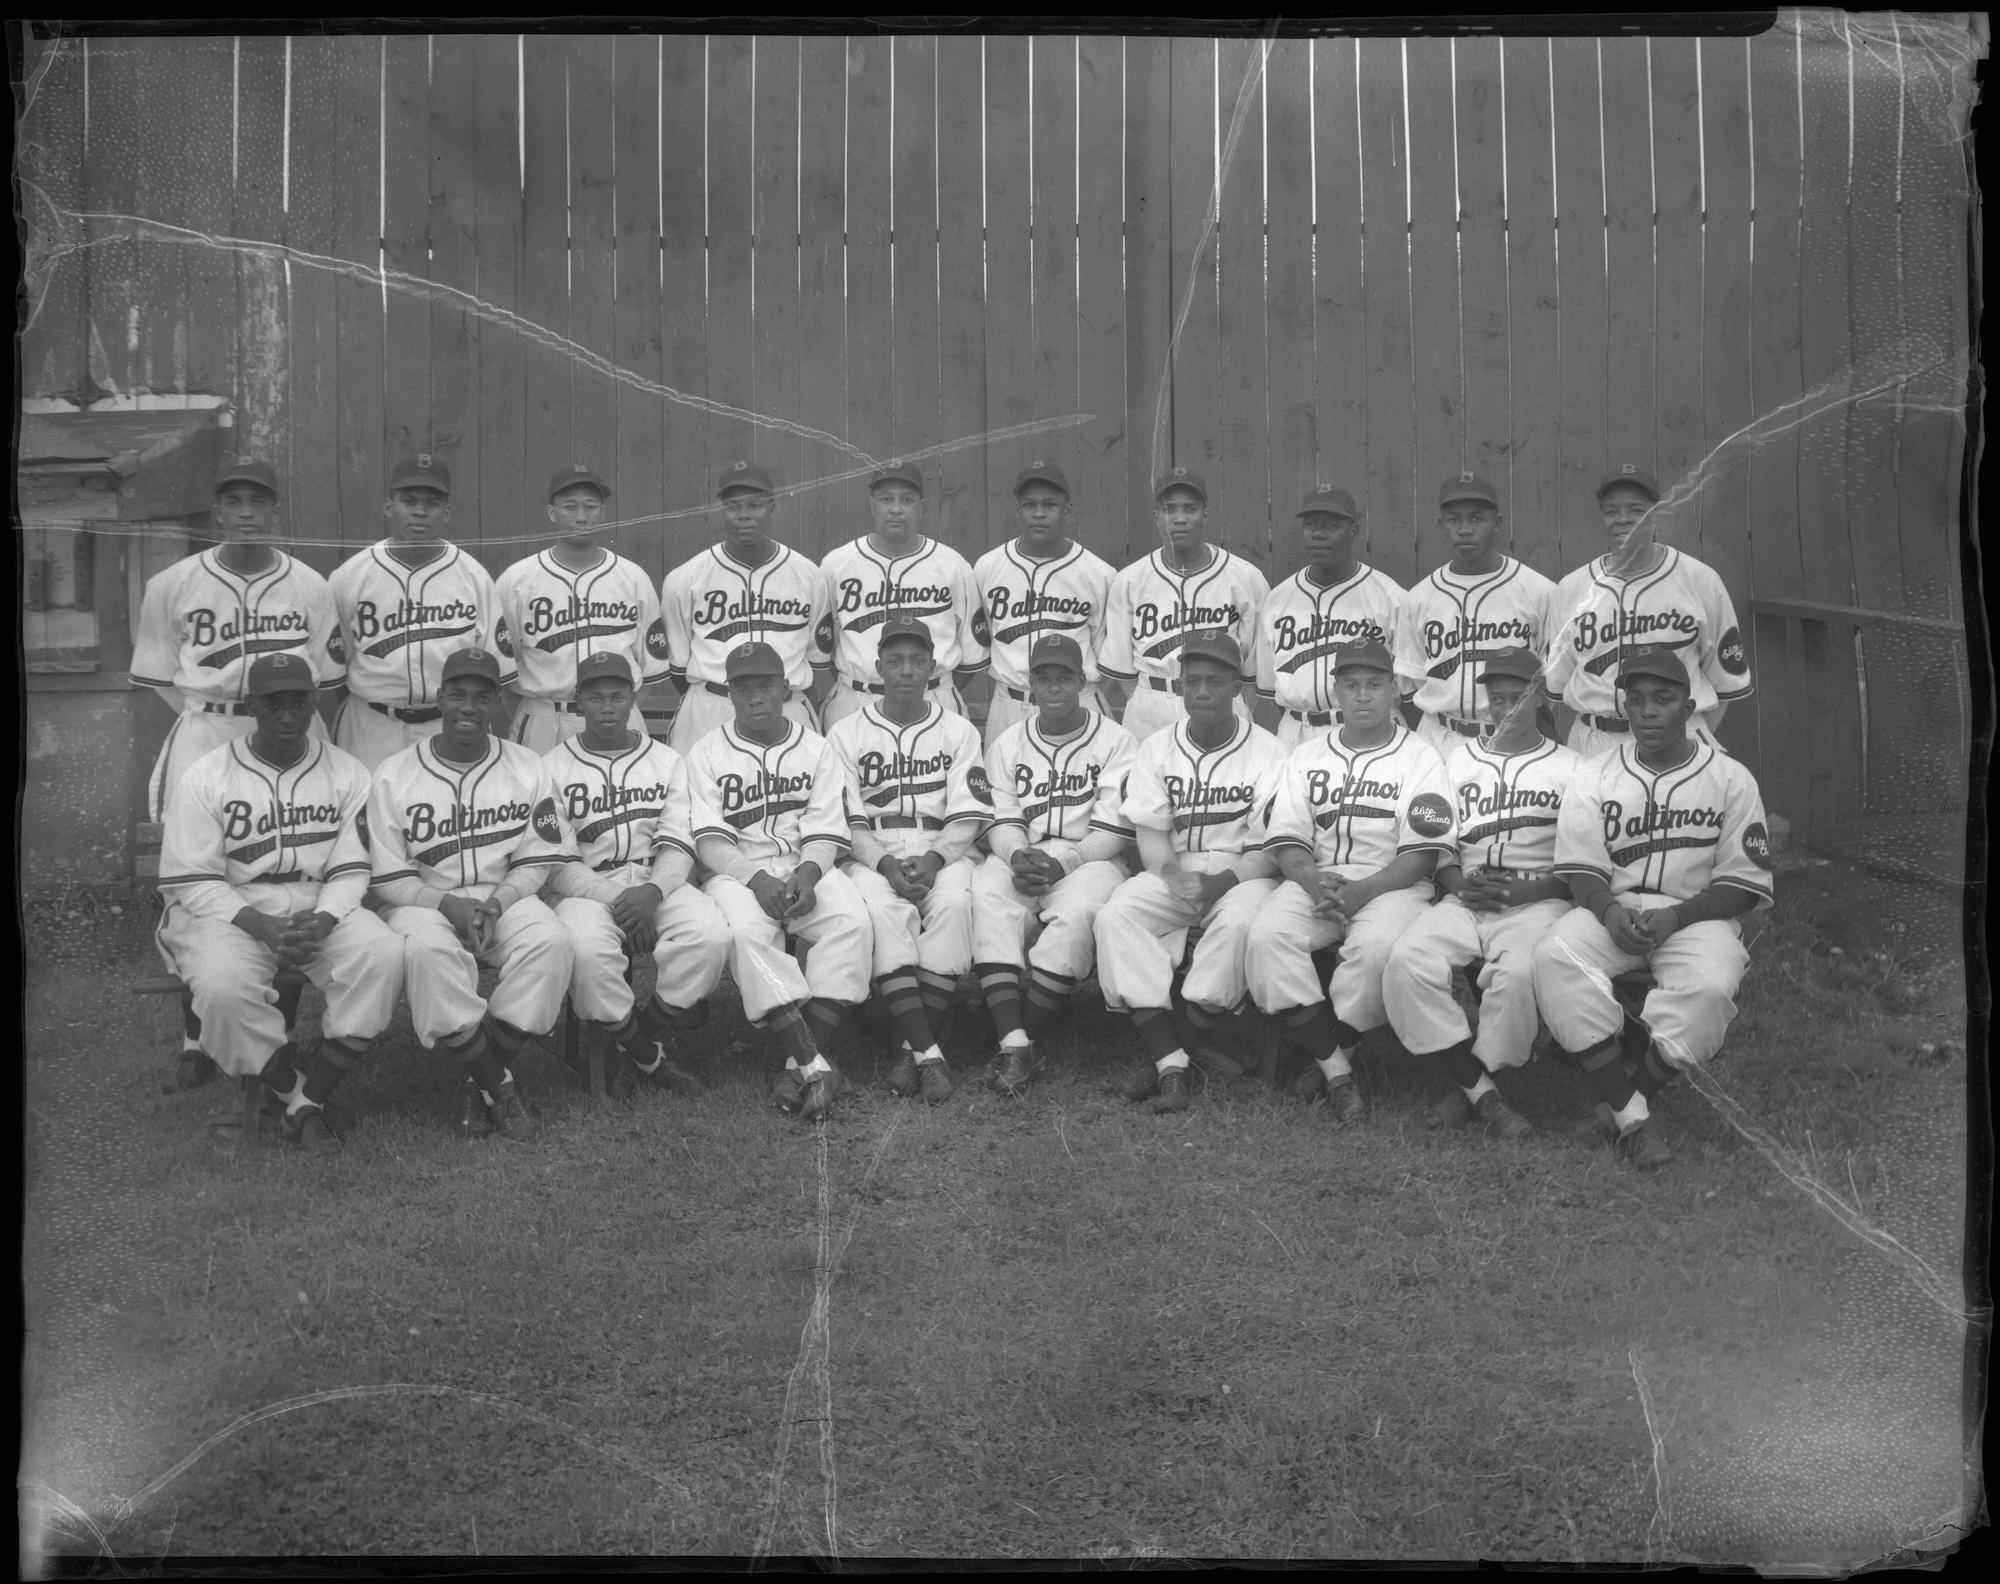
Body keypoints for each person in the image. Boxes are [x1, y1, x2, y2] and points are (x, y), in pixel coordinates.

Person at [1531, 645, 1774, 1169]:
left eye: (1662, 700)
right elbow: (1580, 866)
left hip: (1696, 915)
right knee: (1555, 955)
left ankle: (1617, 1105)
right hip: (1615, 910)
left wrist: (1677, 918)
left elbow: (1745, 882)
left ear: (1689, 710)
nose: (1646, 712)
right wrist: (1610, 914)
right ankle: (1632, 1117)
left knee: (1710, 988)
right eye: (1636, 700)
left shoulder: (1731, 778)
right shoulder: (1594, 773)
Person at [154, 652, 403, 1148]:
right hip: (227, 907)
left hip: (317, 899)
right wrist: (260, 926)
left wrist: (328, 917)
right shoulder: (207, 775)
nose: (287, 715)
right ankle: (300, 1099)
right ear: (252, 706)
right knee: (222, 989)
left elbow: (353, 866)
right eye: (274, 704)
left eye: (298, 703)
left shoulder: (346, 771)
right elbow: (192, 879)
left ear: (314, 704)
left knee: (383, 955)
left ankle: (306, 1101)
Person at [1246, 640, 1459, 1124]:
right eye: (1352, 685)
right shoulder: (1306, 755)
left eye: (1375, 685)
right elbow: (1287, 836)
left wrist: (1365, 891)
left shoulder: (1421, 758)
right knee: (1266, 936)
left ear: (1394, 694)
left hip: (1393, 885)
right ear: (1336, 693)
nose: (1363, 696)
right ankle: (1337, 1070)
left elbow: (1424, 851)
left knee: (1375, 953)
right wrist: (1309, 877)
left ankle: (1328, 1054)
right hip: (1319, 880)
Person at [368, 645, 572, 1143]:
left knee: (552, 943)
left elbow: (537, 858)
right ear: (440, 698)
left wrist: (498, 903)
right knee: (428, 951)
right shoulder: (394, 773)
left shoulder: (527, 766)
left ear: (496, 703)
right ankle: (499, 1088)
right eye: (457, 694)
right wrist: (448, 906)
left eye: (481, 698)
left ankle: (474, 1079)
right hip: (423, 901)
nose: (468, 707)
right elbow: (388, 877)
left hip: (503, 895)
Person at [1379, 646, 1581, 1139]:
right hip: (1465, 895)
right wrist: (1458, 884)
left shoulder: (1574, 768)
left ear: (1540, 700)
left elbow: (1585, 865)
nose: (1507, 709)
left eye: (1519, 698)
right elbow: (1435, 844)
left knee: (1515, 977)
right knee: (1406, 961)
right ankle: (1479, 1090)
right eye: (1497, 699)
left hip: (1537, 900)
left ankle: (1472, 1085)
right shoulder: (1454, 760)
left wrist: (1527, 891)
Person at [1092, 632, 1289, 1113]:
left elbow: (1269, 843)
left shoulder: (1268, 751)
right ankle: (1173, 1060)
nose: (1203, 691)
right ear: (1179, 688)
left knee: (1241, 924)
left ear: (1236, 689)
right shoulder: (1157, 747)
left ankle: (1171, 1054)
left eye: (1216, 681)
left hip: (1244, 873)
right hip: (1175, 871)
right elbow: (1152, 833)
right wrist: (1174, 875)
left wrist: (1223, 882)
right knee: (1116, 915)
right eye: (1193, 681)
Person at [685, 641, 875, 1122]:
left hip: (806, 863)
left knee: (851, 921)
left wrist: (810, 875)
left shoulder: (816, 747)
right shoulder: (706, 752)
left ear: (785, 689)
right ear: (728, 693)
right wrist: (755, 879)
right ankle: (815, 1063)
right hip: (737, 870)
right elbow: (709, 842)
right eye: (743, 687)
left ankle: (792, 1062)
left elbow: (826, 825)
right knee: (748, 935)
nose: (755, 697)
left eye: (765, 685)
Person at [540, 652, 729, 1098]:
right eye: (596, 697)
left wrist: (653, 891)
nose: (607, 707)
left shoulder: (666, 760)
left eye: (617, 697)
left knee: (710, 935)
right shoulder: (549, 767)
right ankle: (650, 1058)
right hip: (586, 888)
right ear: (578, 701)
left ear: (632, 700)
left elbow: (678, 841)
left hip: (656, 880)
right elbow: (557, 863)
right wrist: (620, 900)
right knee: (586, 951)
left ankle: (637, 1037)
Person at [826, 614, 993, 1102]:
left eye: (915, 661)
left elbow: (968, 814)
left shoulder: (959, 731)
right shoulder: (846, 732)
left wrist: (937, 859)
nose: (904, 670)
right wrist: (883, 865)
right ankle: (930, 1054)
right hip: (872, 849)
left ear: (932, 667)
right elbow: (847, 821)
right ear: (877, 667)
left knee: (956, 906)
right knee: (882, 910)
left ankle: (907, 1050)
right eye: (894, 661)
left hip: (943, 845)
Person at [132, 455, 343, 821]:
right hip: (208, 729)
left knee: (302, 829)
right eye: (234, 502)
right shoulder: (170, 584)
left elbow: (324, 675)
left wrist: (281, 710)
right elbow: (158, 676)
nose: (246, 513)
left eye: (258, 502)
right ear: (218, 513)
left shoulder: (311, 585)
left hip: (292, 730)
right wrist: (207, 707)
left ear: (274, 512)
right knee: (196, 836)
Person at [972, 633, 1138, 1095]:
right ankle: (1016, 1042)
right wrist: (1014, 853)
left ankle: (1017, 1037)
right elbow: (1000, 817)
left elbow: (1114, 830)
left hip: (1090, 858)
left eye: (1063, 678)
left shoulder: (1116, 741)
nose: (1054, 688)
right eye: (1044, 679)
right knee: (988, 897)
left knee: (1079, 915)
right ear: (1031, 684)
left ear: (1082, 682)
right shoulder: (1008, 742)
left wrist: (1067, 861)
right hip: (1024, 852)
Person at [1543, 464, 1754, 758]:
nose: (1623, 519)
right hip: (1595, 741)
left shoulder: (1699, 580)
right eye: (1612, 511)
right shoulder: (1572, 588)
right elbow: (1552, 685)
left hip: (1679, 738)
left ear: (1656, 516)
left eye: (1636, 510)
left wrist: (1685, 741)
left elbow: (1727, 684)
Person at [330, 452, 511, 771]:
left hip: (447, 726)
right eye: (409, 501)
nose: (419, 511)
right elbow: (331, 672)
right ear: (389, 506)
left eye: (431, 503)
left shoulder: (472, 576)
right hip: (370, 727)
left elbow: (497, 670)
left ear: (446, 512)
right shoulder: (352, 576)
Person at [495, 464, 672, 753]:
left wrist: (618, 711)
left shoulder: (632, 577)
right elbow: (503, 672)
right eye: (569, 507)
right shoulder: (516, 581)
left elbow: (651, 669)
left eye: (590, 507)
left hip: (619, 722)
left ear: (603, 512)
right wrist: (536, 710)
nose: (581, 516)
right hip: (544, 719)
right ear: (552, 513)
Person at [660, 459, 834, 750]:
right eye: (733, 506)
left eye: (755, 505)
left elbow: (817, 660)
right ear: (720, 510)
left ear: (773, 507)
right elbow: (678, 668)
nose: (743, 516)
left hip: (787, 708)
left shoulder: (808, 575)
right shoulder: (685, 577)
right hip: (711, 708)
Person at [1393, 472, 1557, 761]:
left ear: (1498, 523)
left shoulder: (1539, 591)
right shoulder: (1418, 598)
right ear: (1441, 525)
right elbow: (1411, 684)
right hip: (1439, 740)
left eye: (1477, 518)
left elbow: (1553, 679)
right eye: (1454, 519)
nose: (1465, 529)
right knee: (1426, 809)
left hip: (1515, 739)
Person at [1099, 468, 1270, 741]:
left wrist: (1237, 702)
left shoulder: (1245, 576)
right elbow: (1122, 667)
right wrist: (1150, 698)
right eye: (1169, 510)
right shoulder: (1131, 579)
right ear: (1157, 517)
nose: (1179, 519)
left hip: (1222, 702)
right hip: (1151, 705)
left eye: (1190, 509)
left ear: (1205, 514)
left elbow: (1252, 668)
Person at [818, 461, 988, 730]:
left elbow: (972, 656)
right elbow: (822, 650)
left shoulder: (952, 565)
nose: (896, 509)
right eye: (886, 499)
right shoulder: (836, 565)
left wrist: (929, 686)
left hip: (935, 699)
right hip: (857, 700)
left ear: (921, 506)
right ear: (871, 504)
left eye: (906, 500)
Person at [972, 460, 1115, 745]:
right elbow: (981, 641)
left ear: (1067, 510)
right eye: (1029, 505)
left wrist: (1080, 692)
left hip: (1078, 704)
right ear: (1017, 510)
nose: (1038, 513)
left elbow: (1111, 661)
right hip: (1010, 705)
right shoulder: (988, 567)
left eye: (1049, 505)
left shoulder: (1098, 574)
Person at [1255, 485, 1406, 747]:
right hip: (1296, 733)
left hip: (1369, 732)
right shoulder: (1278, 600)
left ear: (1354, 531)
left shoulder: (1389, 597)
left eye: (1330, 526)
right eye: (1311, 525)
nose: (1318, 534)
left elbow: (1407, 689)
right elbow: (1269, 688)